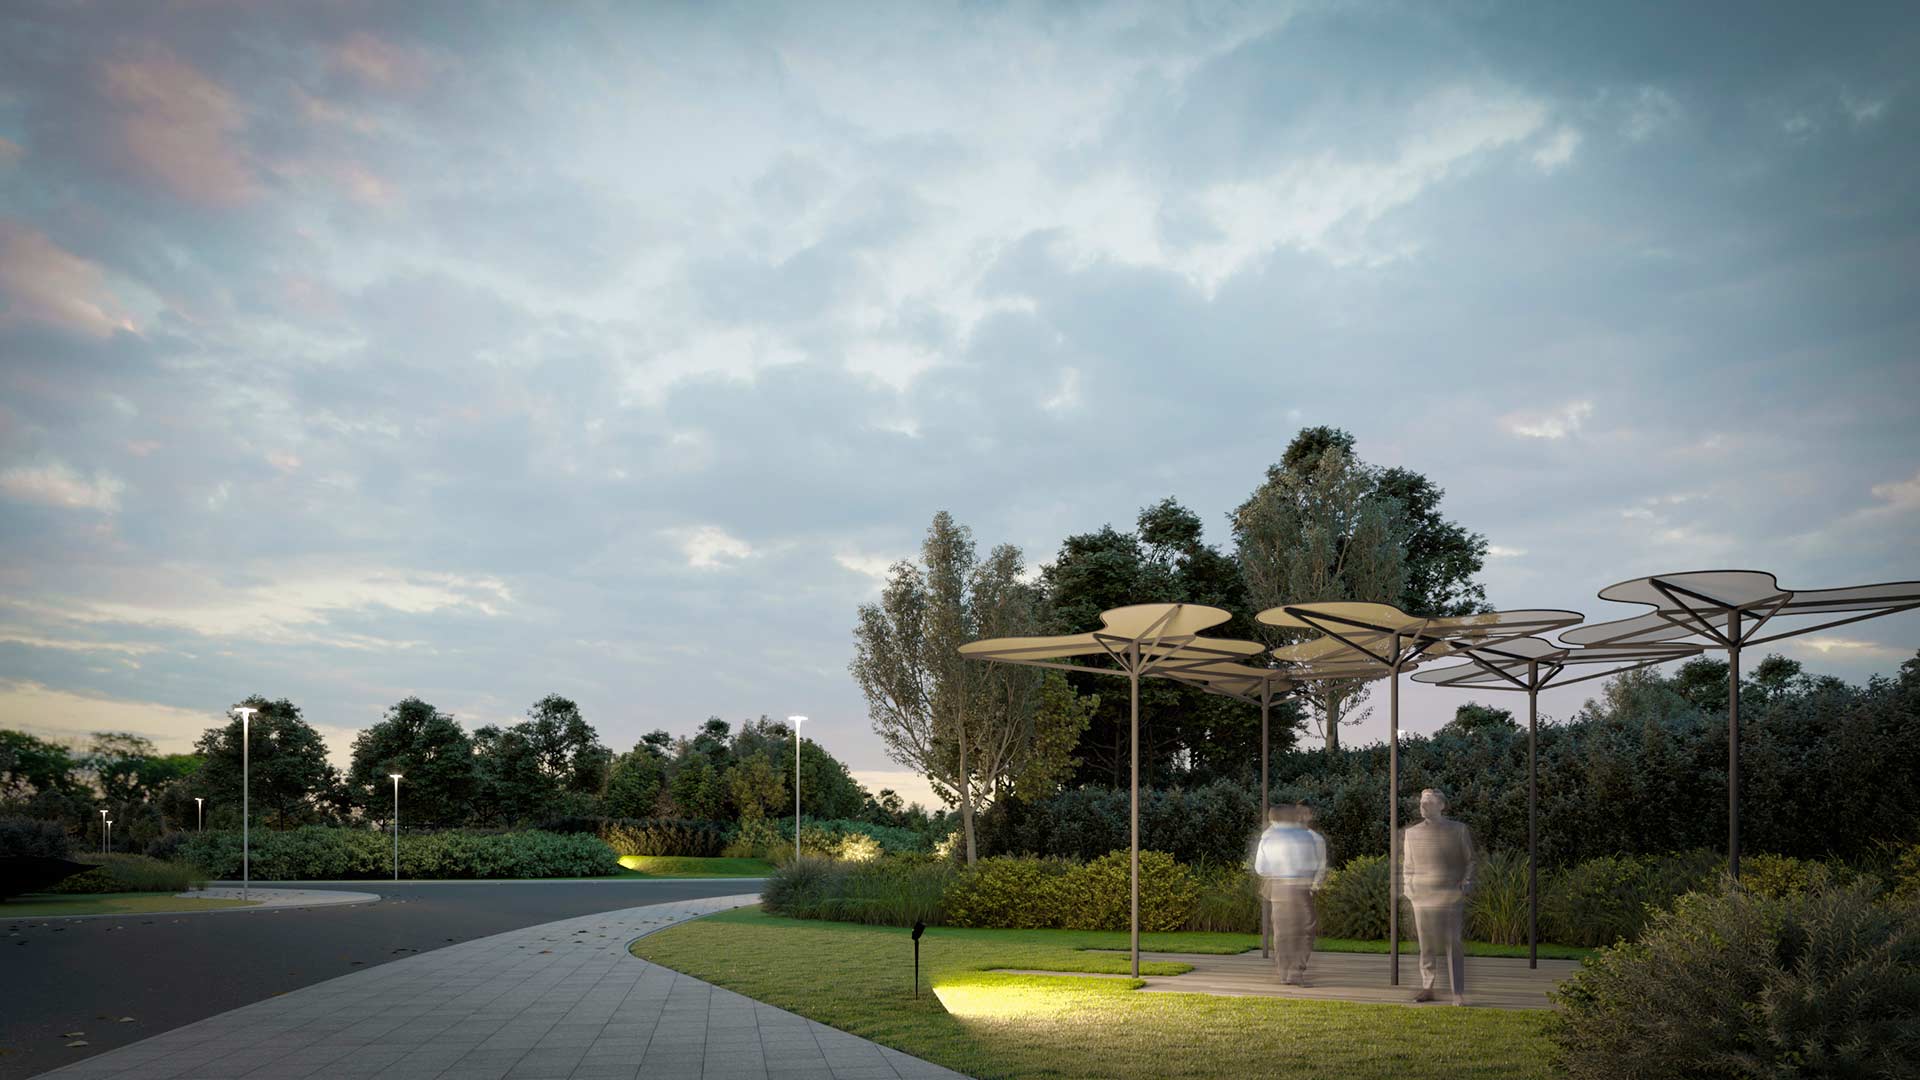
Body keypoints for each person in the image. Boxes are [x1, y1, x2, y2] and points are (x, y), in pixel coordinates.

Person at [1401, 787, 1475, 1005]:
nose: (1424, 806)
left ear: (1441, 806)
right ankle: (1428, 987)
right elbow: (1408, 866)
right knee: (1426, 944)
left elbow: (1470, 861)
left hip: (1451, 895)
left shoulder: (1458, 830)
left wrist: (1465, 884)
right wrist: (1409, 890)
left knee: (1453, 942)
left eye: (1430, 802)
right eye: (1422, 802)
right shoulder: (1412, 833)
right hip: (1421, 897)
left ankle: (1457, 992)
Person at [1252, 804, 1327, 985]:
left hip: (1278, 887)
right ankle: (1296, 971)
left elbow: (1261, 869)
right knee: (1305, 929)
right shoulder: (1308, 837)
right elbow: (1313, 864)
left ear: (1273, 819)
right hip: (1300, 887)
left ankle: (1284, 971)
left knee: (1282, 931)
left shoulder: (1267, 838)